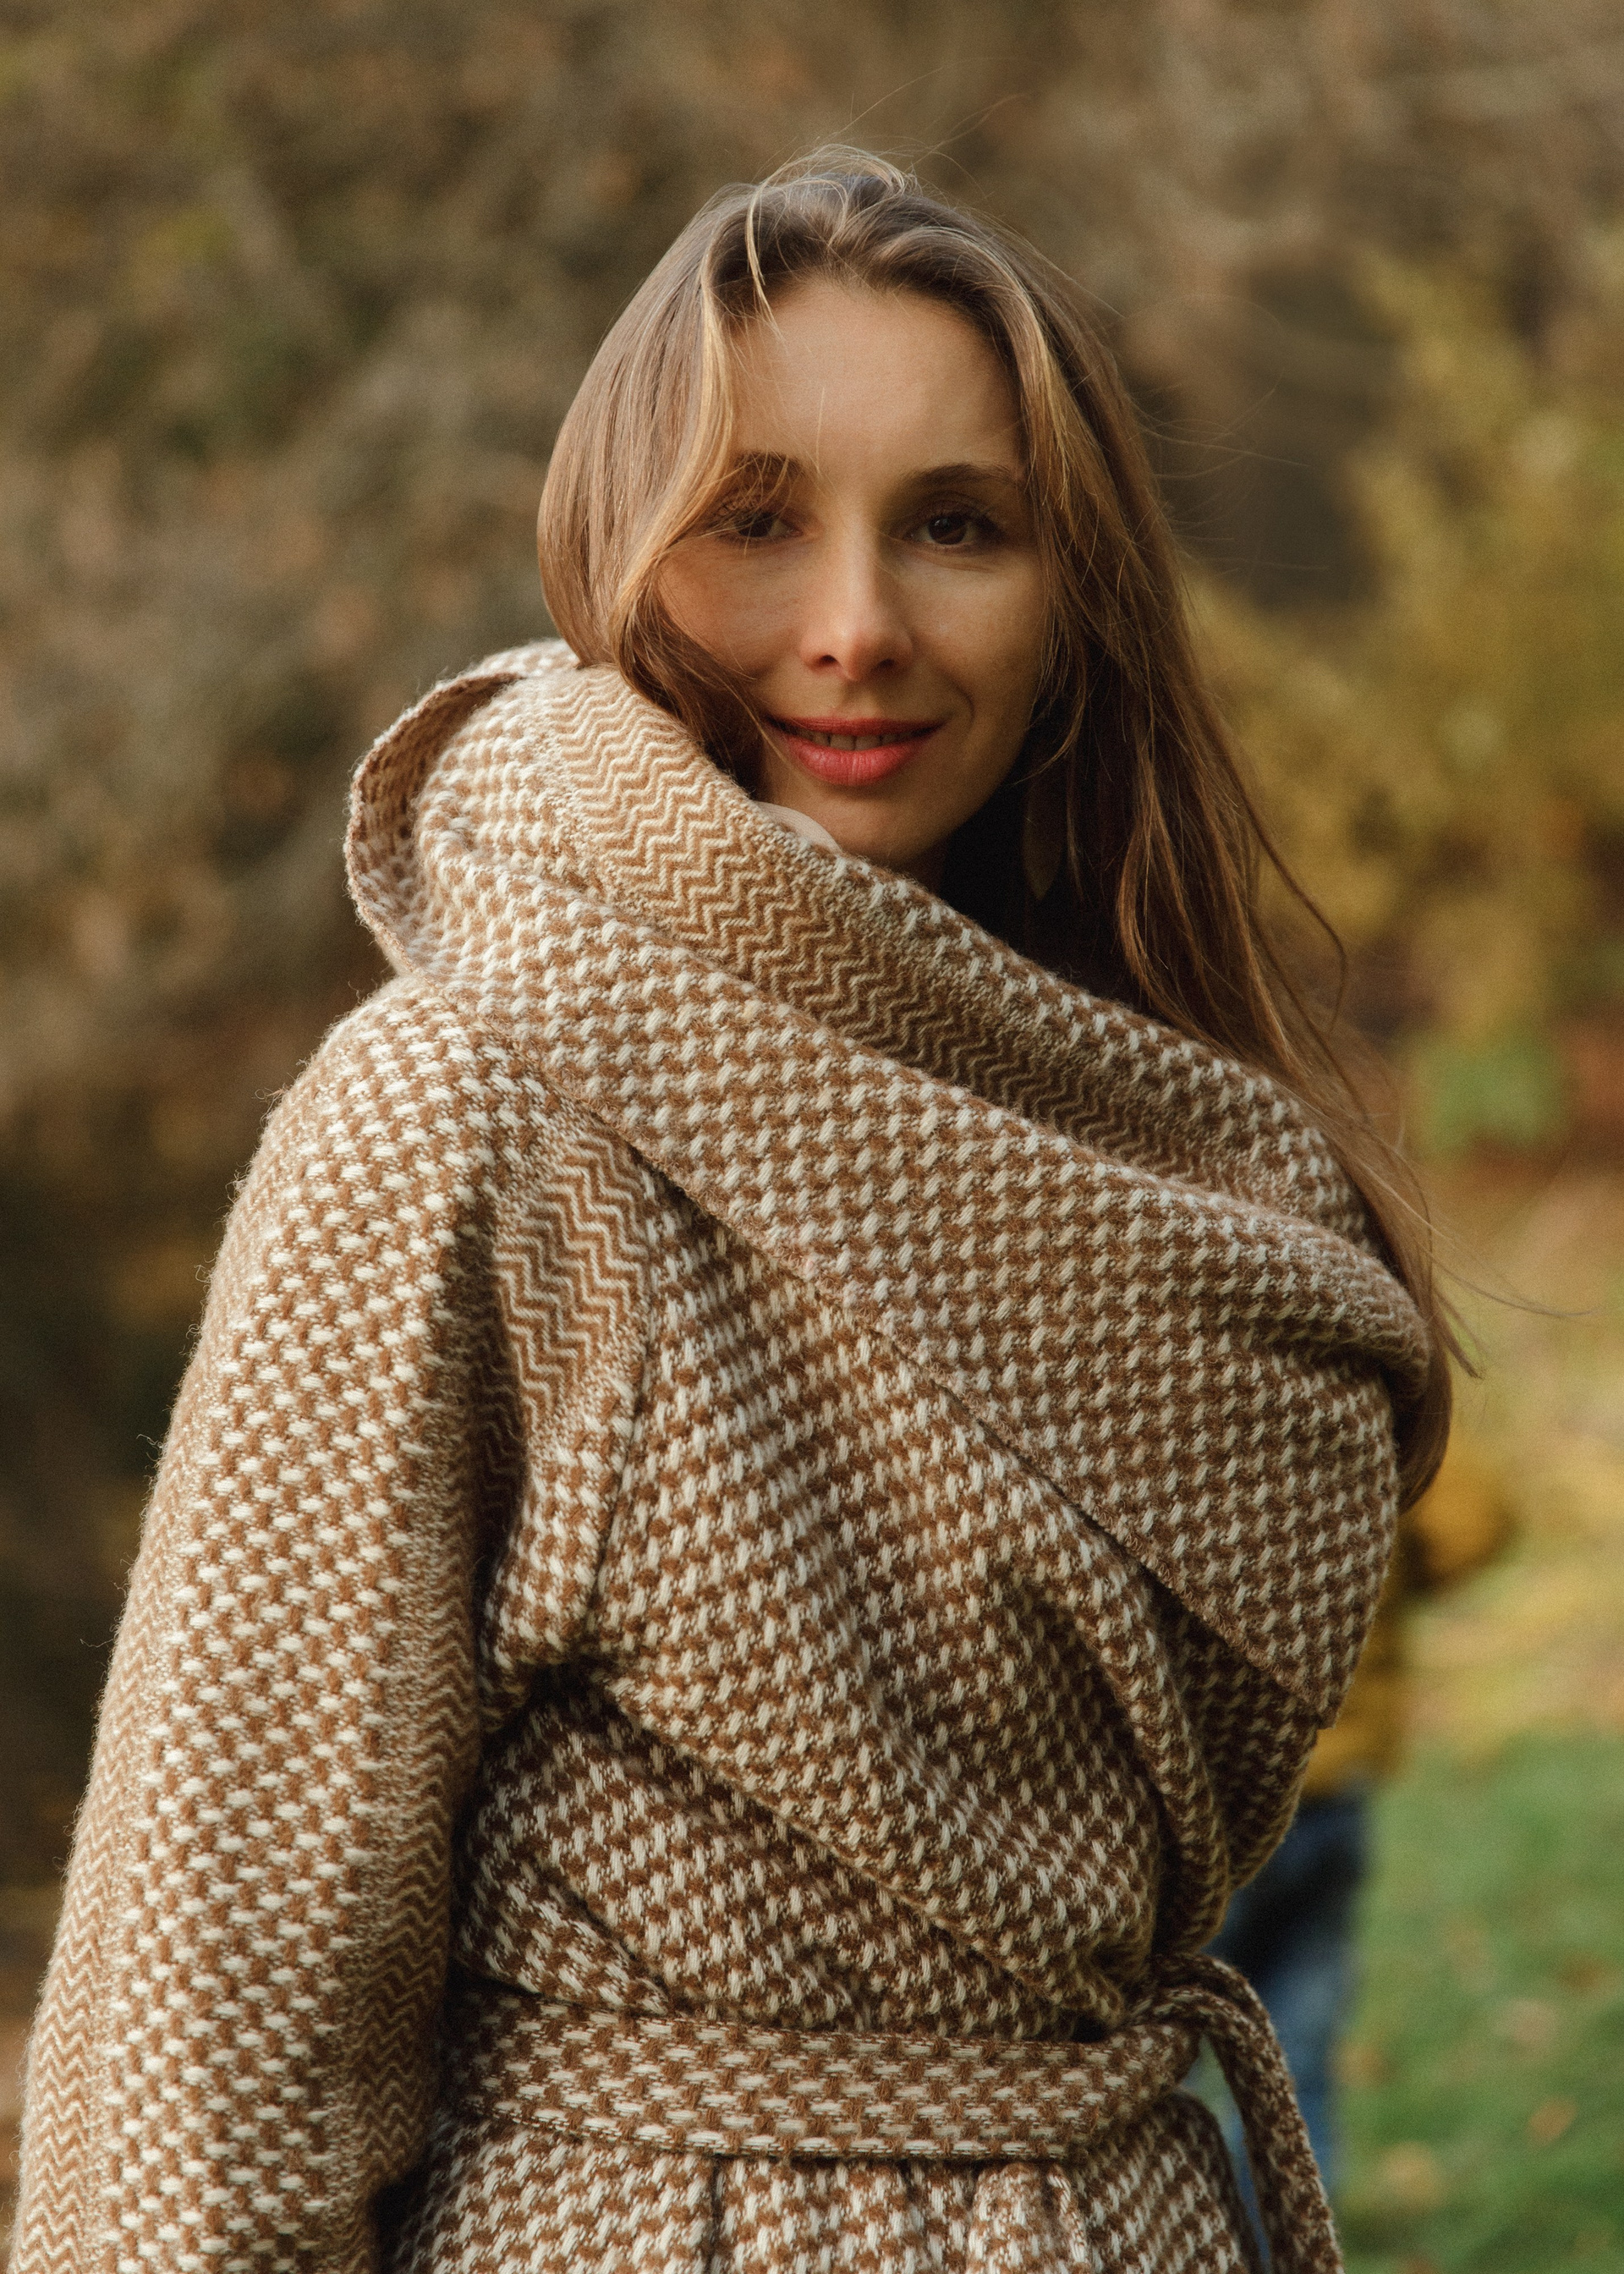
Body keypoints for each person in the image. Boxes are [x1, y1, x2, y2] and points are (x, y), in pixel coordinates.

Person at [14, 151, 1451, 2274]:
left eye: (958, 525)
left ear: (1077, 598)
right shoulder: (471, 1116)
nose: (854, 625)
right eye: (756, 520)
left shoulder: (1202, 1158)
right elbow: (209, 2056)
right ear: (621, 550)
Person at [1210, 1436, 1512, 2226]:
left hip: (1214, 1805)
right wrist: (1392, 1571)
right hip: (1332, 1789)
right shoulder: (1377, 1411)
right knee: (1295, 2051)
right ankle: (1293, 2240)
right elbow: (1477, 1520)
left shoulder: (1186, 1413)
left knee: (1160, 2051)